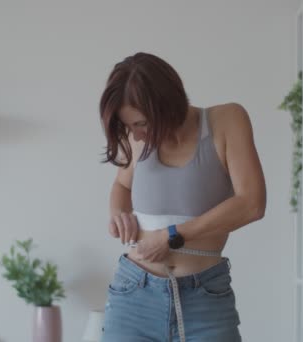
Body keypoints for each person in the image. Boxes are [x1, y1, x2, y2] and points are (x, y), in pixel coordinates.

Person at [99, 52, 266, 342]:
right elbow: (121, 187)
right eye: (130, 126)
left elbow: (252, 204)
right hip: (134, 295)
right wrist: (118, 214)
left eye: (141, 124)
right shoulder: (137, 140)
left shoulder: (226, 120)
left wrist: (172, 235)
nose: (136, 136)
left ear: (167, 104)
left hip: (204, 298)